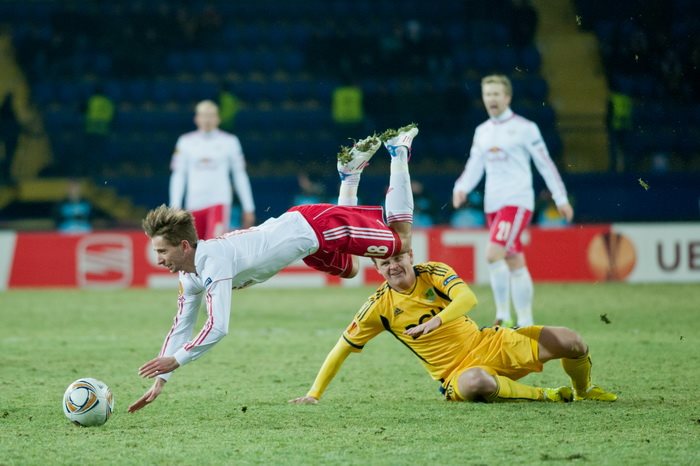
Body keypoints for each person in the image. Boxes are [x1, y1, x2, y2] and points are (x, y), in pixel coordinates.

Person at [128, 124, 419, 413]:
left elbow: (217, 327)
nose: (158, 259)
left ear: (184, 246)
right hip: (308, 246)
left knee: (402, 242)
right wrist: (161, 379)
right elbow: (182, 325)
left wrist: (177, 359)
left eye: (162, 251)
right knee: (350, 269)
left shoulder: (213, 261)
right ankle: (349, 176)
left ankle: (397, 152)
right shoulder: (189, 276)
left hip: (315, 225)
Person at [290, 250, 617, 405]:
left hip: (491, 342)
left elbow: (468, 298)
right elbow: (341, 348)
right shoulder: (379, 307)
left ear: (410, 255)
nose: (393, 266)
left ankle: (584, 390)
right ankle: (547, 395)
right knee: (476, 382)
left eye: (398, 259)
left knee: (571, 341)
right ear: (376, 269)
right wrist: (313, 394)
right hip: (456, 373)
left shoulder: (433, 272)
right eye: (384, 263)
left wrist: (436, 320)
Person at [452, 74, 573, 328]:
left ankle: (503, 316)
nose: (492, 99)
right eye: (488, 94)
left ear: (507, 97)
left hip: (517, 201)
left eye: (496, 94)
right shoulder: (482, 131)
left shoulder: (526, 128)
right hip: (493, 204)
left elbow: (545, 164)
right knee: (514, 260)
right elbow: (475, 165)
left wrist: (560, 197)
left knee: (492, 254)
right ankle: (526, 322)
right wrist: (461, 187)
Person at [169, 100, 256, 239]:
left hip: (219, 201)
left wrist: (248, 207)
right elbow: (178, 175)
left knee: (213, 244)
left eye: (210, 115)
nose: (207, 120)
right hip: (194, 204)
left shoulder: (230, 141)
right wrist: (175, 206)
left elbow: (240, 175)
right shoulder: (185, 142)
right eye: (203, 115)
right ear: (196, 119)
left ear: (218, 119)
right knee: (195, 247)